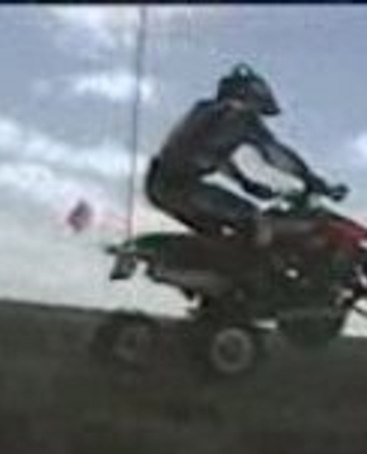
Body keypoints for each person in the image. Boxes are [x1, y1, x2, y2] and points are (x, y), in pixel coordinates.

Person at [145, 64, 339, 289]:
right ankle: (253, 283)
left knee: (220, 235)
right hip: (182, 187)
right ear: (251, 95)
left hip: (161, 183)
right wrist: (310, 178)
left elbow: (212, 155)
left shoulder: (208, 111)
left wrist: (245, 183)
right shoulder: (238, 114)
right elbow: (275, 154)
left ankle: (219, 288)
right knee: (255, 219)